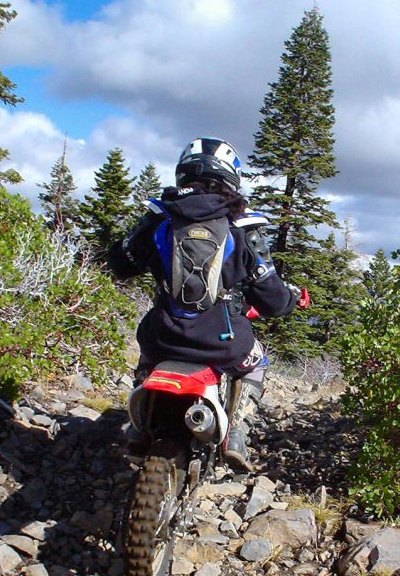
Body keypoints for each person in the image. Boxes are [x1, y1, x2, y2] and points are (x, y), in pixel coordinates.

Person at [107, 137, 305, 472]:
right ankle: (237, 431)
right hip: (222, 346)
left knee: (147, 353)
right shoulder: (243, 228)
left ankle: (139, 423)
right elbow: (272, 299)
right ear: (231, 178)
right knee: (257, 362)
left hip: (162, 338)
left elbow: (120, 264)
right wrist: (291, 299)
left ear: (183, 174)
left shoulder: (159, 219)